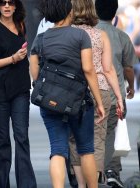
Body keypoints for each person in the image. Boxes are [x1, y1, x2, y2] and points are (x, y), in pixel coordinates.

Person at [29, 0, 105, 187]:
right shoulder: (80, 36)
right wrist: (99, 102)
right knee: (86, 150)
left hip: (50, 101)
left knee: (57, 150)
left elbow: (35, 70)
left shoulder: (41, 38)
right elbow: (88, 69)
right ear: (68, 12)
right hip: (78, 102)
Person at [0, 0, 37, 187]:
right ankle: (2, 184)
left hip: (19, 88)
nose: (6, 6)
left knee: (22, 136)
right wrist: (13, 59)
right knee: (2, 140)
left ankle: (26, 184)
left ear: (16, 6)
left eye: (10, 2)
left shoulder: (20, 25)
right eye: (3, 3)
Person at [69, 0, 124, 186]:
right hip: (99, 89)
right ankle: (95, 182)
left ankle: (81, 184)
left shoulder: (66, 35)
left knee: (75, 140)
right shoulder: (101, 35)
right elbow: (108, 70)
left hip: (73, 91)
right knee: (98, 139)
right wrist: (118, 96)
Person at [95, 0, 138, 187]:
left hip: (91, 94)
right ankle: (111, 171)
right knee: (111, 134)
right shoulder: (121, 36)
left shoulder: (87, 34)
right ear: (115, 14)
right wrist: (131, 87)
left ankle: (91, 173)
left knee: (94, 134)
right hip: (114, 96)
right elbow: (128, 68)